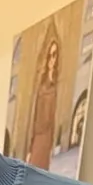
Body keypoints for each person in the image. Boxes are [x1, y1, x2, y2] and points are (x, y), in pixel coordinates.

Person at [25, 29, 61, 169]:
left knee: (43, 170)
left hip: (47, 135)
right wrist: (30, 145)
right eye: (50, 55)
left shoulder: (57, 82)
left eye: (55, 55)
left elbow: (54, 115)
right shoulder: (42, 82)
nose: (52, 59)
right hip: (38, 134)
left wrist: (52, 142)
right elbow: (35, 114)